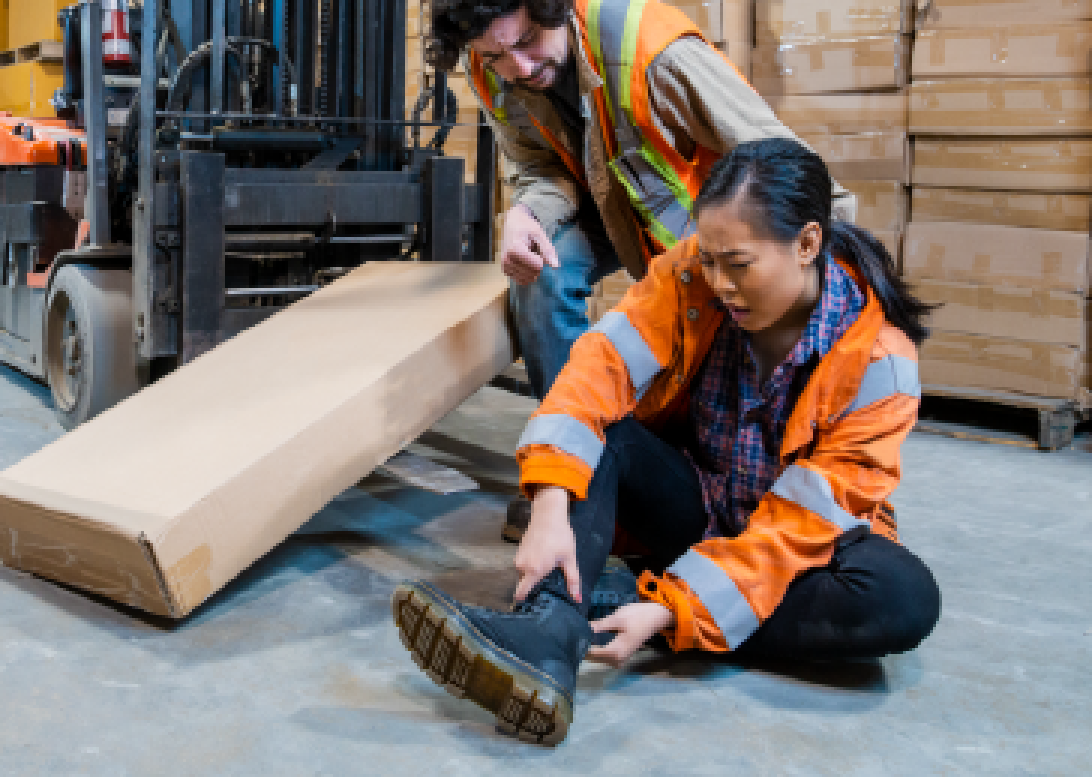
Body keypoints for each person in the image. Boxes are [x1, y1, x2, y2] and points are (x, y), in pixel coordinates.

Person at [391, 139, 941, 745]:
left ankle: (630, 603)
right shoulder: (687, 277)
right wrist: (549, 503)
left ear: (808, 244)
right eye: (710, 261)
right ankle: (549, 634)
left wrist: (674, 612)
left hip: (794, 549)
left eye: (739, 264)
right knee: (606, 438)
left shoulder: (881, 362)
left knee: (901, 598)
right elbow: (594, 374)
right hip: (694, 506)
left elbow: (801, 527)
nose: (721, 284)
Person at [425, 0, 854, 539]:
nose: (518, 68)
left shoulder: (654, 52)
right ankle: (578, 475)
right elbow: (540, 170)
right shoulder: (491, 68)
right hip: (607, 210)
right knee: (540, 271)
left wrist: (842, 276)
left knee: (719, 368)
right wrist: (522, 215)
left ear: (559, 6)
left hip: (708, 233)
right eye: (497, 57)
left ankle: (696, 483)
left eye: (526, 43)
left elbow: (784, 162)